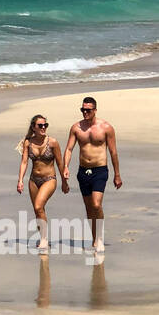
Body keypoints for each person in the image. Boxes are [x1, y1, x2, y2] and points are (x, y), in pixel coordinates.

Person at [62, 96, 121, 253]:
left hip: (100, 170)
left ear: (95, 110)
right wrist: (65, 167)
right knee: (89, 208)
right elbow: (68, 149)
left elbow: (113, 152)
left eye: (88, 110)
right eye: (83, 109)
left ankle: (100, 238)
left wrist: (117, 174)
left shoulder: (106, 128)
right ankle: (94, 239)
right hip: (83, 171)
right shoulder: (76, 128)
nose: (85, 112)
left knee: (96, 204)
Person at [16, 113, 68, 255]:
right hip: (33, 180)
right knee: (38, 210)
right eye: (40, 125)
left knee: (39, 206)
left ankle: (44, 239)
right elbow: (24, 162)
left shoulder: (52, 142)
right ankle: (42, 237)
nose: (43, 127)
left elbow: (59, 162)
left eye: (45, 125)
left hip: (49, 179)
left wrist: (64, 182)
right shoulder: (28, 142)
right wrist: (20, 180)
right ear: (34, 127)